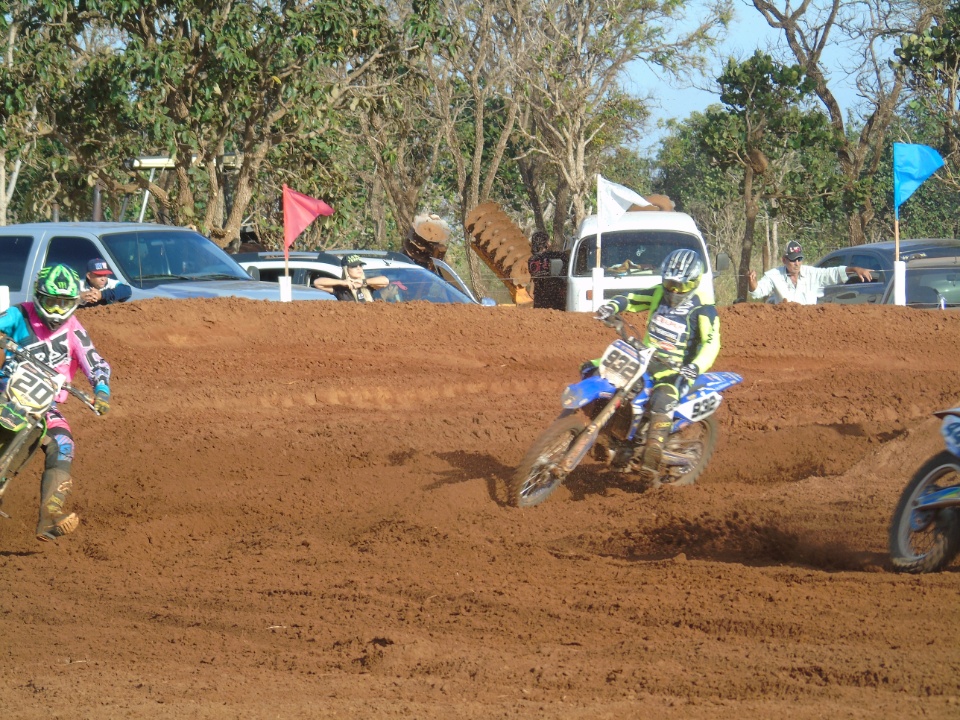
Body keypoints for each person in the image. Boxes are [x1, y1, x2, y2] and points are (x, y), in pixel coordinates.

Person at [0, 264, 112, 542]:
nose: (58, 310)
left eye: (65, 303)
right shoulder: (19, 314)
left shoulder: (74, 329)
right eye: (52, 302)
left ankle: (50, 515)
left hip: (43, 402)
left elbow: (94, 360)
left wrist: (101, 389)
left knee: (63, 443)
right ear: (39, 297)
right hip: (5, 388)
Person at [595, 248, 721, 489]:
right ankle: (614, 435)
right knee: (597, 369)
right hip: (647, 357)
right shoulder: (659, 294)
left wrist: (695, 367)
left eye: (680, 285)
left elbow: (712, 343)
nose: (673, 290)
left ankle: (651, 458)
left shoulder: (703, 308)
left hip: (678, 370)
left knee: (662, 399)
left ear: (694, 282)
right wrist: (612, 306)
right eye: (669, 283)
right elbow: (631, 298)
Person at [747, 241, 873, 305]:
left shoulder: (811, 273)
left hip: (809, 322)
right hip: (785, 324)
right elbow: (758, 292)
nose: (796, 263)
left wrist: (854, 269)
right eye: (793, 260)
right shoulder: (774, 275)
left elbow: (832, 273)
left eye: (799, 259)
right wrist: (752, 282)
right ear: (784, 260)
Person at [313, 254, 389, 302]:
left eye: (360, 266)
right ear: (346, 269)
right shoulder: (340, 288)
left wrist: (363, 282)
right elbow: (317, 283)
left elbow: (385, 281)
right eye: (354, 266)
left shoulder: (367, 284)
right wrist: (343, 282)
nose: (359, 268)